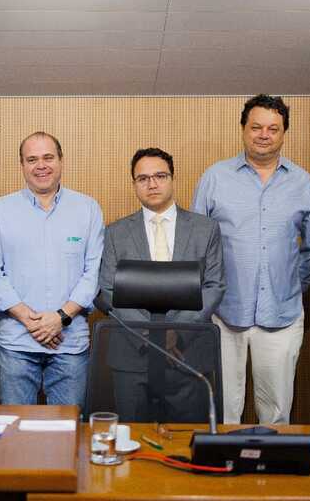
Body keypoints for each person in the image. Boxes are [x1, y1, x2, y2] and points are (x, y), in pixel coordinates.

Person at [191, 94, 310, 424]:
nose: (264, 134)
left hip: (281, 314)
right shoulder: (215, 178)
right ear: (243, 130)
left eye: (273, 128)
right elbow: (195, 244)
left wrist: (292, 284)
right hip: (223, 315)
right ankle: (222, 471)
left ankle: (271, 474)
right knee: (224, 411)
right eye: (256, 127)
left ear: (283, 133)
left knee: (277, 411)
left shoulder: (303, 183)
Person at [97, 147, 225, 422]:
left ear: (172, 179)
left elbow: (214, 286)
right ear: (134, 184)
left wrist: (176, 332)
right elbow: (106, 290)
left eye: (159, 176)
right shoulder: (115, 232)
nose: (152, 184)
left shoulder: (206, 229)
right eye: (142, 178)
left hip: (187, 353)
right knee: (130, 442)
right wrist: (150, 334)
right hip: (132, 354)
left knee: (187, 441)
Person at [0, 131, 104, 408]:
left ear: (61, 161)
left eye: (48, 157)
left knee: (68, 433)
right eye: (32, 159)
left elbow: (93, 273)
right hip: (17, 343)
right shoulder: (0, 210)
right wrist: (32, 321)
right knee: (16, 434)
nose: (41, 165)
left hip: (70, 344)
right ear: (22, 165)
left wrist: (60, 317)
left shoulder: (87, 209)